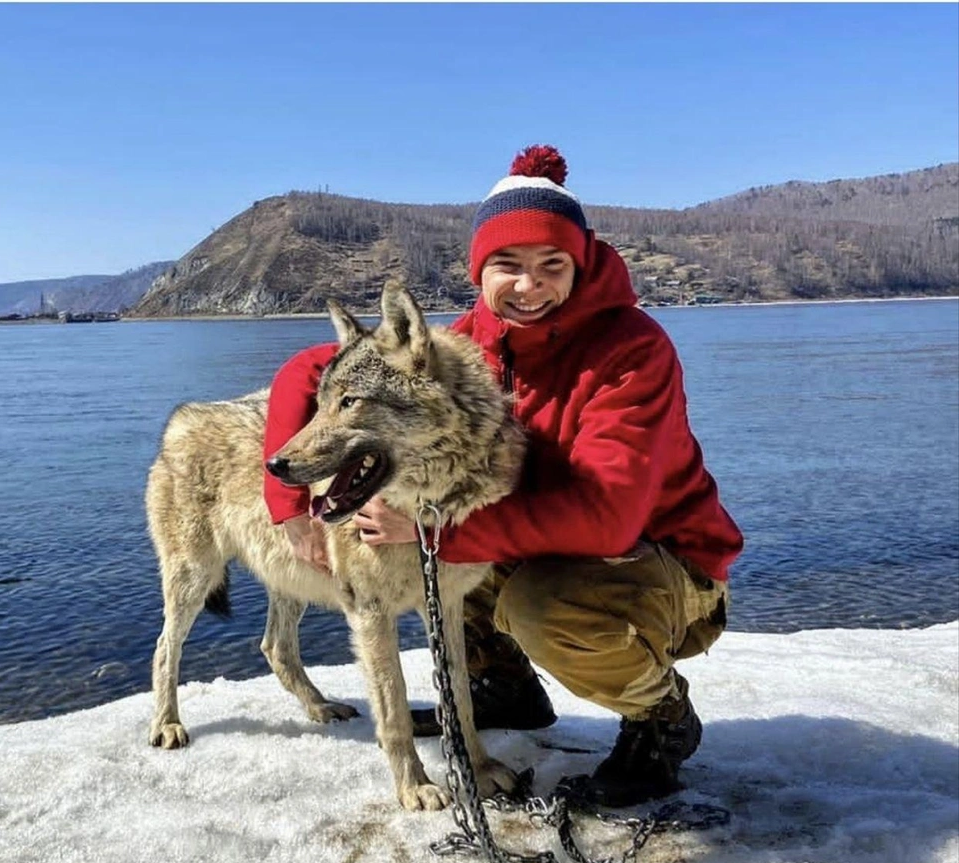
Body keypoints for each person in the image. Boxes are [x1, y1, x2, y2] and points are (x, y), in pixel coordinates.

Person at [263, 145, 743, 807]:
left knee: (536, 603)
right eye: (507, 265)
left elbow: (608, 516)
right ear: (481, 269)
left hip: (660, 561)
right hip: (549, 540)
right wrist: (288, 501)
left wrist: (431, 529)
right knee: (461, 556)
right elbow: (318, 371)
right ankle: (504, 687)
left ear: (581, 265)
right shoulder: (465, 341)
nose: (528, 284)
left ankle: (660, 716)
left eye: (552, 265)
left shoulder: (632, 351)